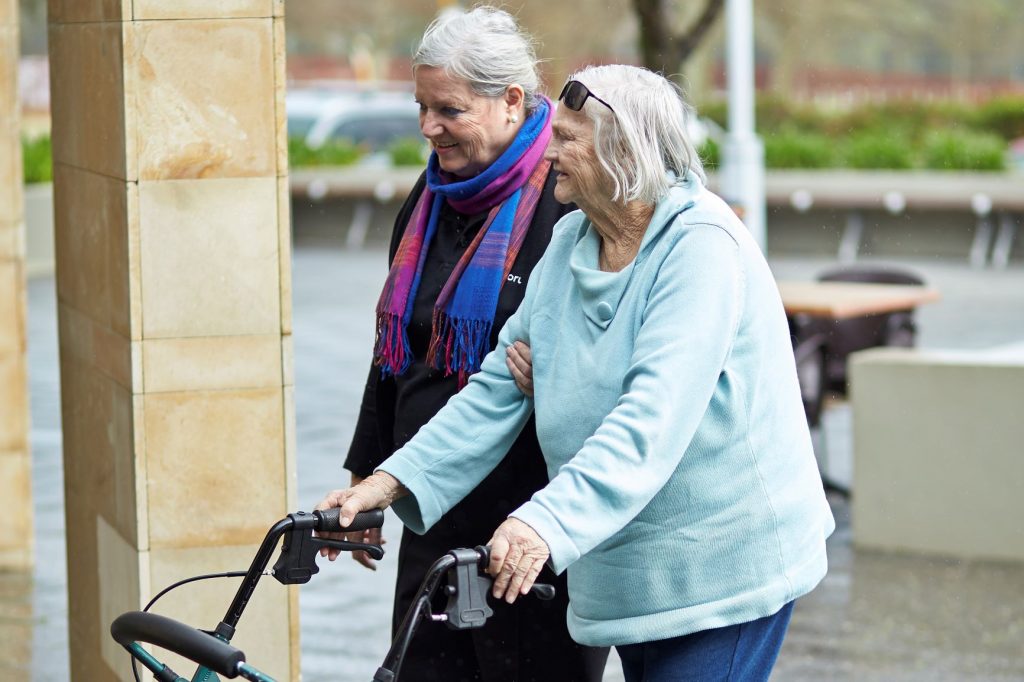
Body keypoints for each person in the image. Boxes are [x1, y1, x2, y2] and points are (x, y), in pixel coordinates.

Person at [323, 63, 836, 682]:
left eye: (566, 139)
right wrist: (385, 483)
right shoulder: (570, 243)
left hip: (722, 568)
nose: (549, 153)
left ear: (624, 150)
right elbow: (492, 392)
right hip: (630, 573)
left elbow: (649, 419)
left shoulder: (700, 246)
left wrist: (541, 520)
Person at [340, 7, 608, 682]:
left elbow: (617, 346)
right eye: (422, 107)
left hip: (532, 527)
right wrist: (368, 481)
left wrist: (562, 366)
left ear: (511, 100)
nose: (430, 128)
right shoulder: (429, 198)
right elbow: (395, 351)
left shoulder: (570, 198)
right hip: (432, 508)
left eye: (449, 110)